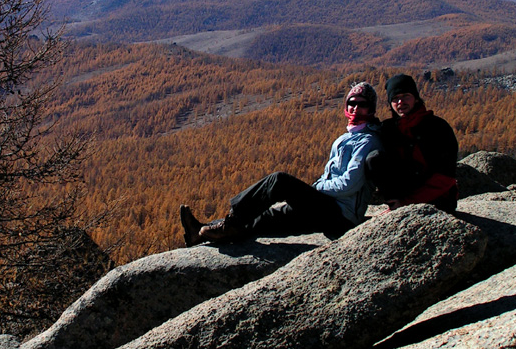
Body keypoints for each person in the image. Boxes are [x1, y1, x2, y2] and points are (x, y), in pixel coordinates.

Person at [180, 82, 383, 246]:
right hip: (328, 209)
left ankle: (231, 222)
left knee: (279, 181)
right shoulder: (346, 138)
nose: (355, 108)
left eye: (362, 104)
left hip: (341, 216)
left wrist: (316, 189)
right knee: (265, 218)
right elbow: (330, 176)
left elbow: (350, 184)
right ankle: (201, 232)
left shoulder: (367, 141)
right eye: (352, 103)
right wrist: (315, 190)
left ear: (371, 109)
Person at [366, 73, 459, 213]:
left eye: (405, 96)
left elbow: (445, 177)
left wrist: (407, 203)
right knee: (374, 158)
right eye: (395, 99)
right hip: (404, 193)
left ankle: (399, 206)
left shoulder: (437, 127)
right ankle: (393, 205)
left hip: (440, 200)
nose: (400, 102)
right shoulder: (389, 129)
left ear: (416, 99)